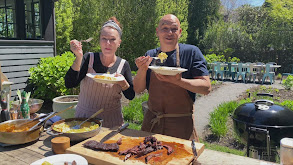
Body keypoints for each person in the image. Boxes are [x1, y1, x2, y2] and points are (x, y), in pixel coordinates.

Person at [133, 14, 211, 141]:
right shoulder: (150, 55)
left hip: (181, 127)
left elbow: (206, 87)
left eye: (174, 29)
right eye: (164, 28)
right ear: (157, 32)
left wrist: (179, 81)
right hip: (152, 124)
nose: (169, 32)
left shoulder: (191, 52)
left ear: (179, 32)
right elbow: (137, 89)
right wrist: (142, 69)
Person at [65, 17, 135, 128]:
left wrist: (123, 83)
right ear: (99, 40)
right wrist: (78, 57)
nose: (108, 43)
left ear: (119, 43)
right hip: (84, 121)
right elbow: (69, 83)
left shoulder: (123, 64)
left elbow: (131, 95)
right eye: (104, 38)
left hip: (112, 123)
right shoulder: (89, 58)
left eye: (112, 39)